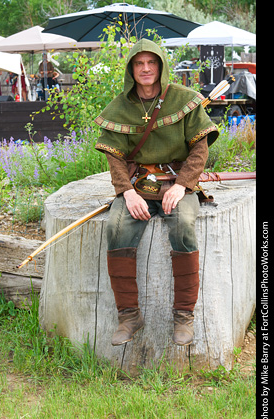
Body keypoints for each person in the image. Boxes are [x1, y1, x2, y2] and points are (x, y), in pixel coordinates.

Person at [94, 38, 219, 347]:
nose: (146, 69)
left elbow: (199, 149)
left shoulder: (185, 99)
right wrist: (126, 193)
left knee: (183, 225)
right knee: (116, 226)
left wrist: (181, 185)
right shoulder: (120, 107)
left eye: (151, 63)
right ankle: (129, 316)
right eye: (139, 63)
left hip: (177, 181)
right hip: (138, 184)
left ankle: (183, 317)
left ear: (161, 66)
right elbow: (115, 156)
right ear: (131, 69)